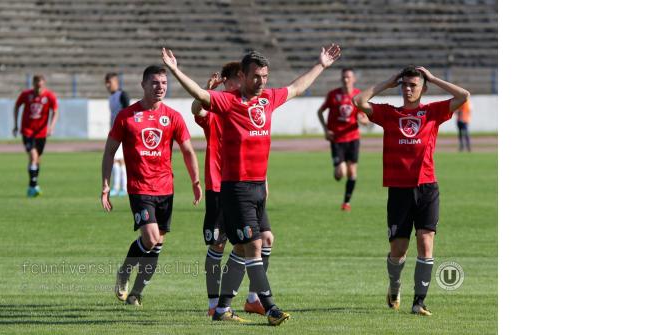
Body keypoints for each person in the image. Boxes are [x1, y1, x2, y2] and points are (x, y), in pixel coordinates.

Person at [163, 44, 341, 325]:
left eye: (265, 76)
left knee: (254, 245)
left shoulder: (268, 99)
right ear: (244, 77)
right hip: (236, 188)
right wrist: (175, 70)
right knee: (254, 245)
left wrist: (321, 65)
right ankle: (269, 307)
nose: (261, 81)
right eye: (256, 76)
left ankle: (222, 308)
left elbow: (295, 88)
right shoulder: (229, 102)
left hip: (258, 187)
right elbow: (199, 96)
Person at [352, 65, 470, 316]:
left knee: (426, 242)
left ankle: (419, 302)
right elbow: (358, 100)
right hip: (398, 190)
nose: (407, 89)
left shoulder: (432, 112)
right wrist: (388, 81)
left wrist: (434, 78)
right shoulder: (388, 114)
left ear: (423, 88)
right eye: (404, 84)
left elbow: (463, 96)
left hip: (427, 187)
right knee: (399, 250)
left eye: (413, 85)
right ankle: (394, 286)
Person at [100, 65, 203, 307]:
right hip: (140, 187)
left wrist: (195, 181)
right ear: (144, 85)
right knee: (150, 238)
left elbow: (188, 151)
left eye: (164, 83)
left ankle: (136, 293)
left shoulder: (173, 117)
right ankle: (125, 271)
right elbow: (109, 152)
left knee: (157, 246)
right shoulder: (126, 116)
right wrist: (105, 185)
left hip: (166, 188)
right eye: (155, 83)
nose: (160, 87)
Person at [191, 63, 275, 317]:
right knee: (219, 244)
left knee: (264, 240)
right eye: (234, 81)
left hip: (249, 186)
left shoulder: (246, 107)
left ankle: (252, 299)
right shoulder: (218, 109)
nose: (238, 86)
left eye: (241, 80)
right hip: (220, 186)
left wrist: (264, 180)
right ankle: (213, 304)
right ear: (225, 82)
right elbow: (197, 111)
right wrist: (205, 91)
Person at [316, 68, 369, 211]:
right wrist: (326, 130)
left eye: (349, 77)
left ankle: (346, 202)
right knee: (341, 174)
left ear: (354, 79)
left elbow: (366, 119)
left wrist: (362, 120)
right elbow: (320, 111)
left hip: (353, 138)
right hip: (337, 139)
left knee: (352, 172)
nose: (346, 79)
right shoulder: (333, 95)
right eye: (344, 77)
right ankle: (338, 169)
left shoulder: (359, 95)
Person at [12, 74, 59, 197]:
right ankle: (33, 186)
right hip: (27, 131)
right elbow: (17, 106)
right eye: (36, 85)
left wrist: (51, 127)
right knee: (33, 156)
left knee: (37, 159)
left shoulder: (49, 96)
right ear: (33, 84)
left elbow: (55, 111)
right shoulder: (26, 95)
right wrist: (16, 125)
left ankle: (31, 187)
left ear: (44, 84)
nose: (39, 88)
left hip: (41, 133)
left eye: (41, 85)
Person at [105, 73, 131, 196]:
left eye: (109, 82)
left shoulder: (122, 95)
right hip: (113, 132)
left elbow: (129, 113)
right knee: (119, 160)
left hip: (122, 131)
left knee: (117, 160)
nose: (107, 85)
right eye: (106, 82)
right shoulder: (111, 97)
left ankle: (120, 188)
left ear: (116, 82)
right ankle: (121, 188)